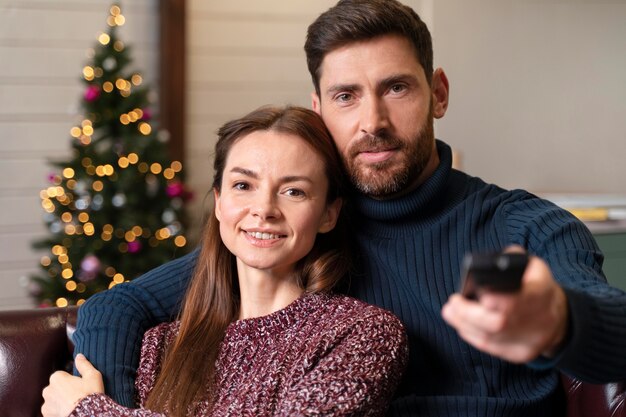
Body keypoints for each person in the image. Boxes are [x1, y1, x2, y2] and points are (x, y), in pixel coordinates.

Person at [72, 0, 626, 416]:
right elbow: (114, 309)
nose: (372, 122)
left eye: (397, 89)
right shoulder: (304, 227)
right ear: (319, 109)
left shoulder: (518, 225)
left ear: (438, 93)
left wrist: (558, 321)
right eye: (346, 96)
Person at [41, 106, 408, 417]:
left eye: (294, 191)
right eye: (243, 185)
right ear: (219, 202)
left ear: (329, 214)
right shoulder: (161, 344)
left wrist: (87, 410)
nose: (263, 209)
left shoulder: (362, 335)